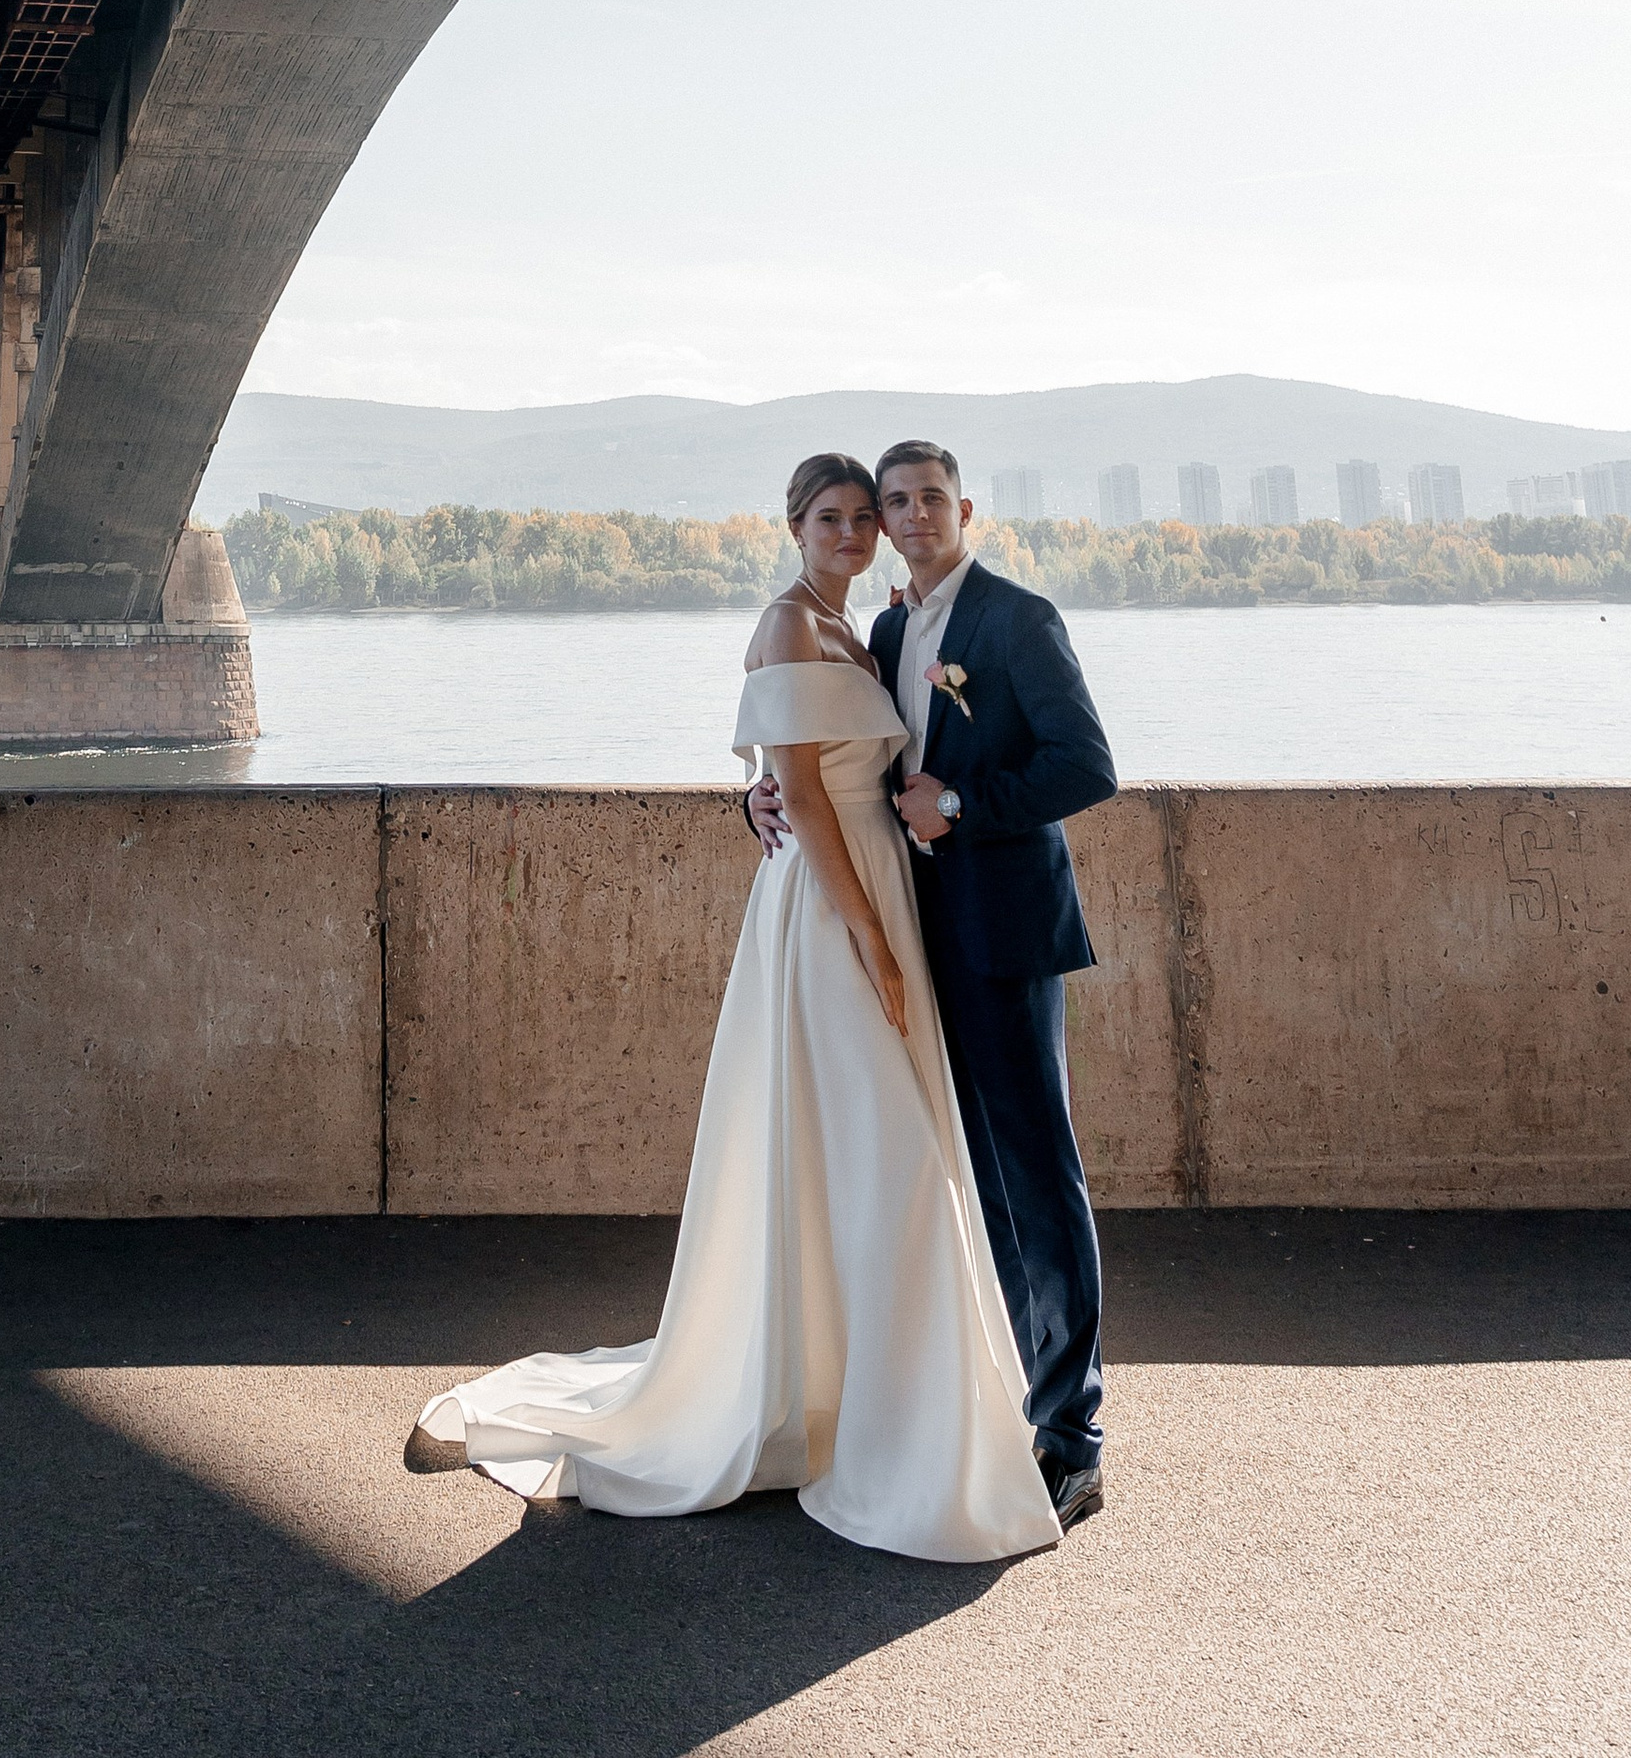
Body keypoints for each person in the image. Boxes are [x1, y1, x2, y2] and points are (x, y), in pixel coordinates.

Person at [410, 455, 1058, 1563]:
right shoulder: (792, 625)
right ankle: (898, 1423)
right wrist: (868, 941)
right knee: (882, 1153)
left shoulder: (870, 627)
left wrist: (783, 805)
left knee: (850, 1151)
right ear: (794, 527)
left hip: (875, 893)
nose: (858, 531)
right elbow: (800, 792)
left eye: (872, 514)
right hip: (832, 915)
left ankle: (868, 1395)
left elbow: (800, 772)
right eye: (835, 517)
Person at [747, 438, 1117, 1528]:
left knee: (1038, 1176)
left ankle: (1073, 1431)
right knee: (965, 1173)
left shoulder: (1016, 618)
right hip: (909, 932)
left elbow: (1084, 764)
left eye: (920, 501)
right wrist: (758, 801)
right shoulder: (889, 630)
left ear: (966, 510)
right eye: (883, 504)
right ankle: (1007, 1394)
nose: (900, 519)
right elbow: (823, 769)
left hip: (1001, 933)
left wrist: (957, 807)